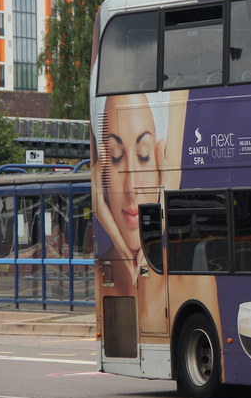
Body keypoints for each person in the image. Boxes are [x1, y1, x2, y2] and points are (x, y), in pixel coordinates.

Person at [93, 91, 217, 334]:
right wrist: (119, 243)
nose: (132, 188)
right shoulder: (102, 276)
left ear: (161, 163)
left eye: (144, 156)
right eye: (116, 157)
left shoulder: (196, 282)